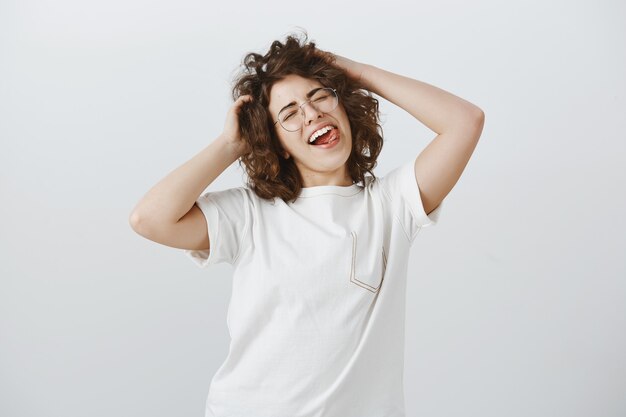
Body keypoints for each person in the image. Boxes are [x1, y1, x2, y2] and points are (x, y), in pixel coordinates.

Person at [129, 31, 484, 417]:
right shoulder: (250, 214)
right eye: (290, 113)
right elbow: (149, 219)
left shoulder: (390, 204)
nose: (311, 113)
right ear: (278, 142)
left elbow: (465, 121)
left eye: (319, 97)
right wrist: (231, 145)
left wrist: (358, 73)